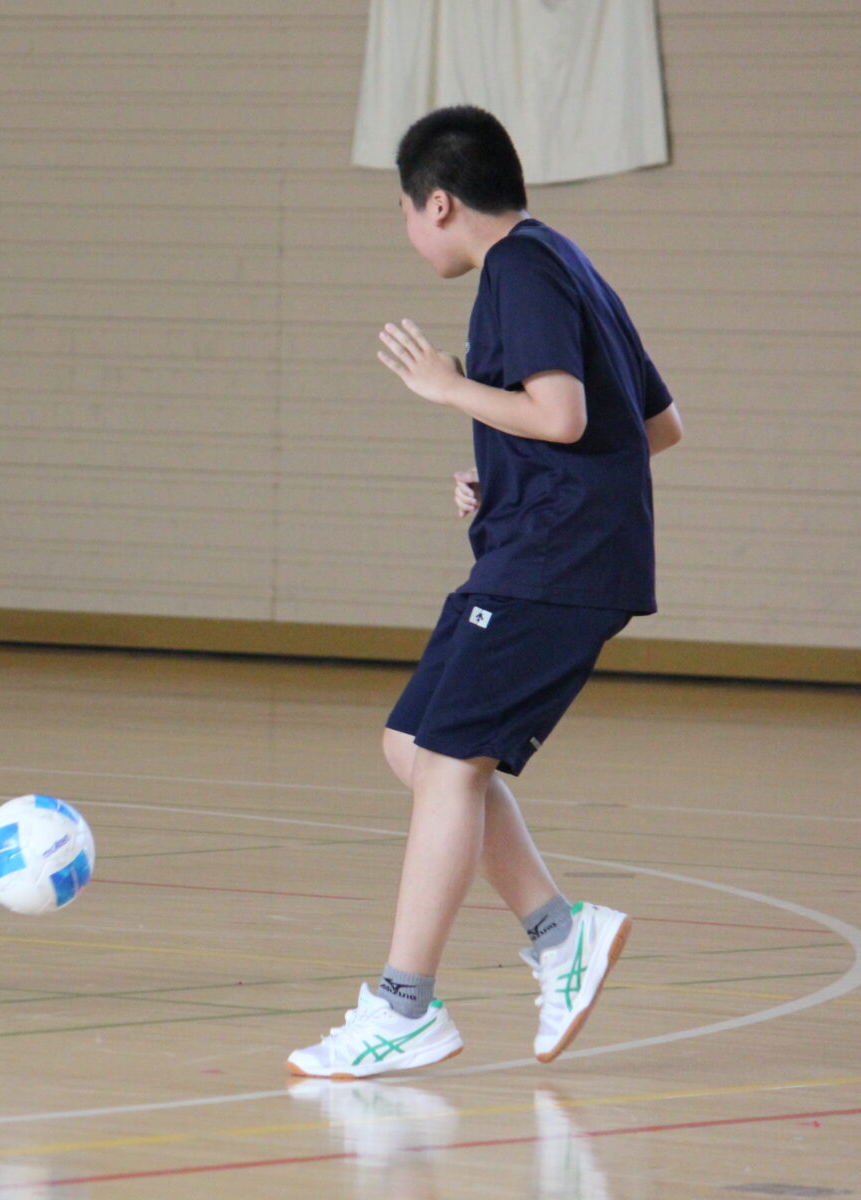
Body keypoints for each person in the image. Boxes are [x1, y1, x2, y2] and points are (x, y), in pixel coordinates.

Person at [288, 105, 684, 1079]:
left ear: (439, 201)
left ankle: (403, 1006)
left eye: (405, 210)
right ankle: (560, 935)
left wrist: (448, 388)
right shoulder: (566, 261)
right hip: (548, 546)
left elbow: (562, 411)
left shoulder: (519, 269)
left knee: (453, 759)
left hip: (555, 563)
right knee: (414, 747)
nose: (408, 227)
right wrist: (503, 470)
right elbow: (658, 427)